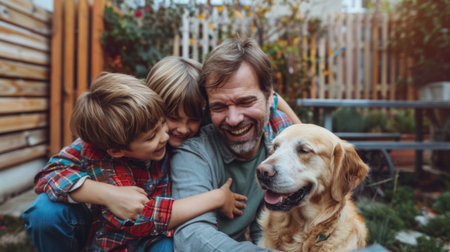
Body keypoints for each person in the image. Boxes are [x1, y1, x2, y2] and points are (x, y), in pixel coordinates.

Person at [23, 72, 247, 252]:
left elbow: (230, 102)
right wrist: (107, 194)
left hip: (154, 239)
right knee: (44, 212)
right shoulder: (103, 150)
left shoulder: (153, 119)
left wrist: (270, 99)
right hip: (115, 239)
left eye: (162, 123)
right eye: (151, 137)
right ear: (116, 150)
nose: (165, 136)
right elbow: (49, 174)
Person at [170, 37, 296, 251]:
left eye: (246, 102)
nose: (234, 118)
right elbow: (193, 237)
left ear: (269, 95)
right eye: (219, 107)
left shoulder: (280, 139)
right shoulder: (193, 152)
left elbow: (268, 228)